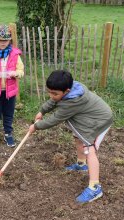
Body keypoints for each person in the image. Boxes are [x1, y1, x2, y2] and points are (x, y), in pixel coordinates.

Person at [28, 70, 113, 204]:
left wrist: (36, 127)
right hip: (86, 118)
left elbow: (55, 119)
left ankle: (95, 187)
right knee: (77, 138)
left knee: (89, 149)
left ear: (66, 91)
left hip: (99, 121)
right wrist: (42, 110)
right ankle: (81, 164)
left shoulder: (73, 102)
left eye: (54, 93)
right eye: (49, 91)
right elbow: (54, 100)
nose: (51, 95)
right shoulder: (68, 90)